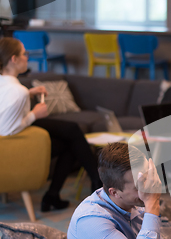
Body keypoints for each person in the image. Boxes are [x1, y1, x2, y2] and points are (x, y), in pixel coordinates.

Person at [0, 37, 102, 211]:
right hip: (16, 146)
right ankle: (96, 183)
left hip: (17, 140)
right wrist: (34, 114)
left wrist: (30, 93)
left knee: (71, 135)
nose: (28, 57)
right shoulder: (18, 91)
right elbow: (6, 129)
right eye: (24, 54)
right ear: (14, 59)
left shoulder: (8, 85)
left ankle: (54, 195)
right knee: (72, 136)